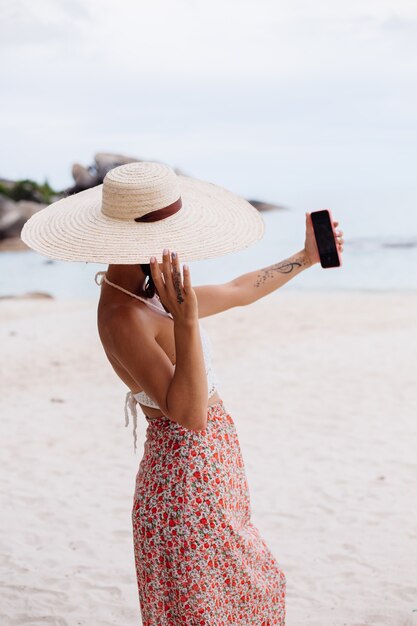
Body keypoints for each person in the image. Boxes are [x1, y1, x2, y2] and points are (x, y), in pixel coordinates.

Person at [21, 161, 344, 625]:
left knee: (249, 594)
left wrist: (304, 256)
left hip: (211, 467)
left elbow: (238, 289)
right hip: (185, 481)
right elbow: (188, 414)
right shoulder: (121, 316)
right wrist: (187, 319)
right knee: (234, 600)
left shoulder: (151, 294)